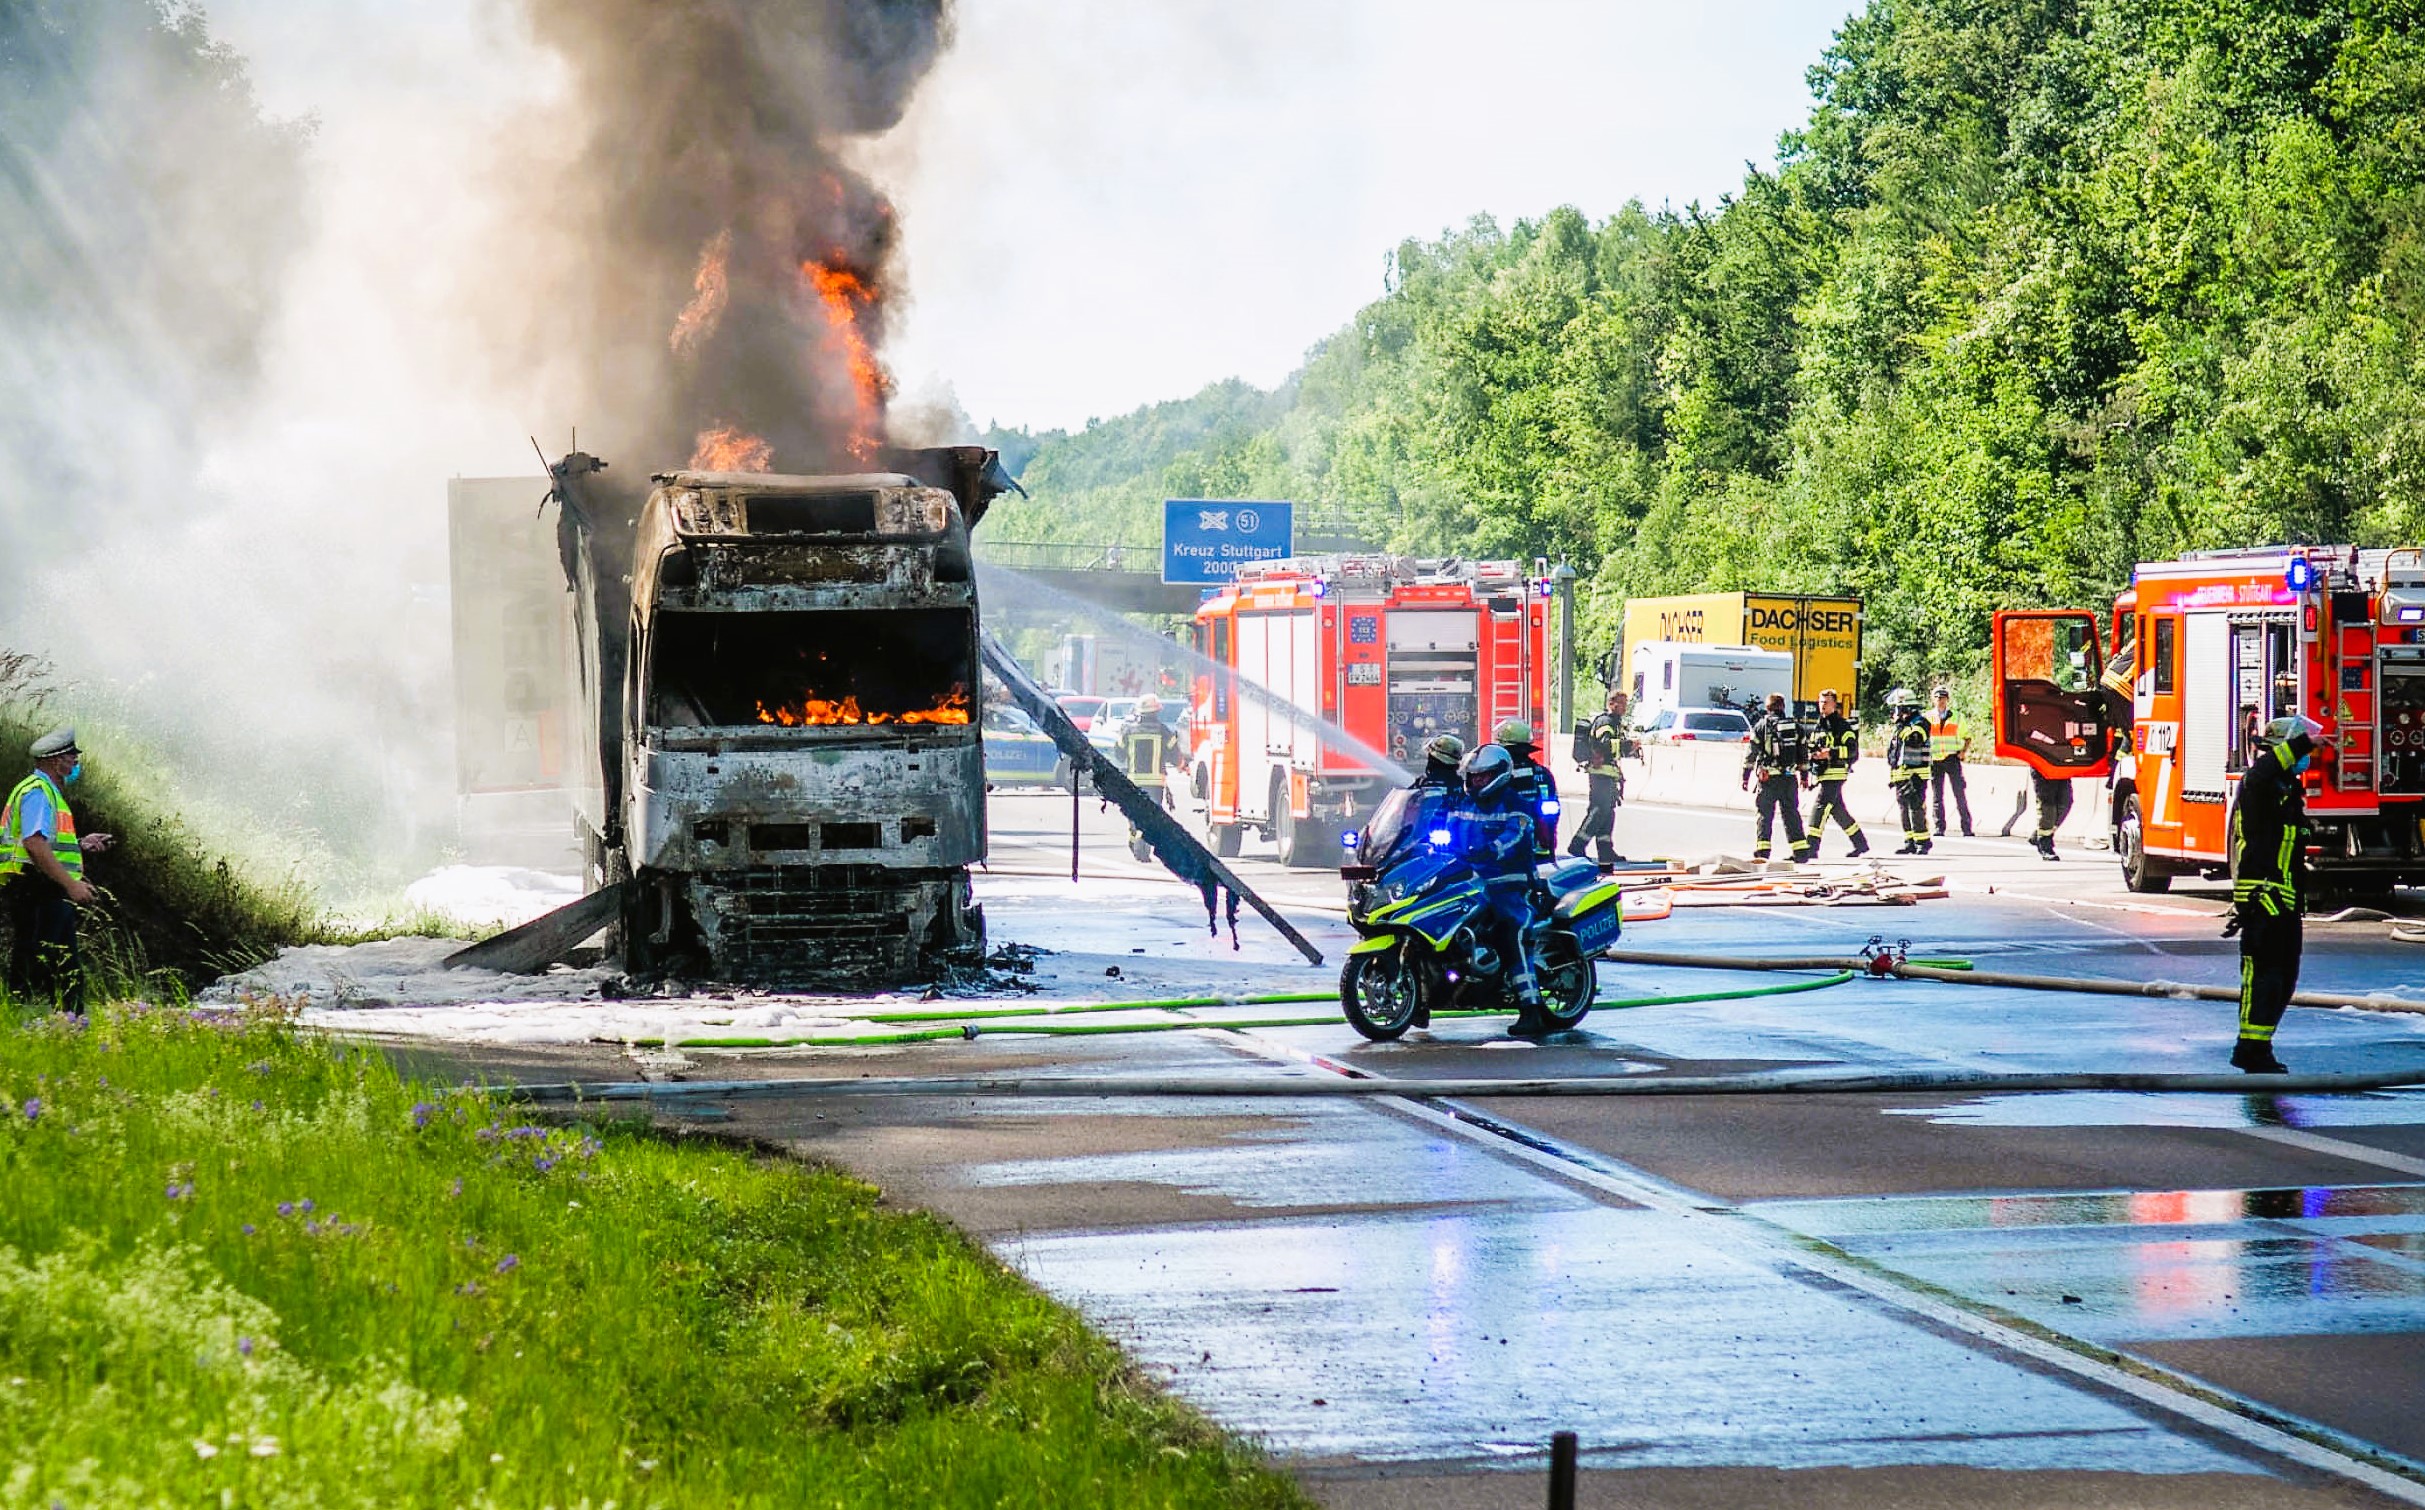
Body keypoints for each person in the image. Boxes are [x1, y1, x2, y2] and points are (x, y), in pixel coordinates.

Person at [2226, 716, 2319, 1073]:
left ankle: (2260, 1046)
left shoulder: (2286, 789)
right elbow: (2266, 769)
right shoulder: (2258, 782)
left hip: (2285, 900)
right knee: (2263, 978)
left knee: (2284, 979)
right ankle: (2250, 1049)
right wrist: (2304, 743)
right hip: (2263, 898)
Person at [2, 727, 113, 1013]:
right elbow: (34, 844)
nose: (76, 762)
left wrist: (80, 844)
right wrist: (72, 884)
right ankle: (23, 1020)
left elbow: (45, 842)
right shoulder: (38, 792)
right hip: (37, 889)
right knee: (37, 963)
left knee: (65, 969)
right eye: (71, 756)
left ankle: (68, 1024)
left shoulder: (46, 792)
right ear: (55, 761)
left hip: (45, 888)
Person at [1451, 744, 1551, 1036]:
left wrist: (1491, 849)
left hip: (1509, 884)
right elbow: (1442, 829)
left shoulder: (1515, 804)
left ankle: (1531, 1008)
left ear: (1499, 775)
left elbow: (1515, 835)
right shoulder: (1463, 802)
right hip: (1471, 883)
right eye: (1473, 776)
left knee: (1512, 932)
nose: (1476, 781)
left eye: (1482, 776)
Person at [1740, 693, 1813, 863]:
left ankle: (1763, 851)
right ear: (1783, 707)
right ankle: (1800, 852)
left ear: (1767, 708)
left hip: (1768, 779)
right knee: (1791, 814)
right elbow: (1803, 753)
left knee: (1765, 815)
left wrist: (1745, 776)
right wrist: (1804, 777)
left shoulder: (1762, 726)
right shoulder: (1795, 727)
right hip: (1789, 778)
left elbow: (1751, 753)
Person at [1805, 688, 1867, 859]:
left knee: (1820, 807)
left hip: (1836, 773)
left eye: (1826, 702)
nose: (1822, 705)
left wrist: (1831, 753)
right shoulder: (1819, 725)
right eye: (1820, 702)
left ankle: (1811, 847)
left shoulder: (1842, 726)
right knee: (1838, 811)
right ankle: (1860, 844)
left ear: (1834, 704)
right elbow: (1811, 746)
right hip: (1822, 773)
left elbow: (1853, 751)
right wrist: (1812, 755)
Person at [1568, 689, 1627, 866]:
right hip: (1600, 774)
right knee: (1599, 811)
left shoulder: (1615, 723)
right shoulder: (1605, 722)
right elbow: (1604, 745)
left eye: (1625, 704)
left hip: (1609, 774)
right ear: (1611, 704)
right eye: (1620, 703)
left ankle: (1605, 850)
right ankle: (1577, 845)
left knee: (1608, 813)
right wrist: (1626, 745)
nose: (1624, 707)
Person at [1495, 719, 1558, 858]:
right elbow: (1553, 811)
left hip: (1503, 848)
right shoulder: (1543, 773)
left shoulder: (1497, 775)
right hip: (1539, 848)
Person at [1885, 688, 1933, 855]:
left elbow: (1915, 740)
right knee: (1904, 809)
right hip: (1901, 775)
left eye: (1897, 709)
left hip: (1916, 775)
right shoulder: (1901, 726)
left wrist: (1902, 726)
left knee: (1915, 808)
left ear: (1906, 708)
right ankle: (1909, 842)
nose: (1895, 713)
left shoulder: (1920, 723)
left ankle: (1923, 842)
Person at [1925, 687, 1973, 837]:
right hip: (1935, 760)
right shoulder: (1927, 717)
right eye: (1938, 698)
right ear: (1933, 699)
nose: (1940, 701)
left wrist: (1963, 751)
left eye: (1943, 698)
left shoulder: (1957, 717)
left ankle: (1966, 828)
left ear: (1947, 699)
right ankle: (1939, 827)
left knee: (1959, 794)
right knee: (1937, 796)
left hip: (1952, 758)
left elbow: (1967, 737)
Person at [2030, 770, 2073, 860]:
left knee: (2065, 804)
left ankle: (2039, 835)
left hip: (2062, 770)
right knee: (2048, 808)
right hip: (2042, 771)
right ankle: (2045, 845)